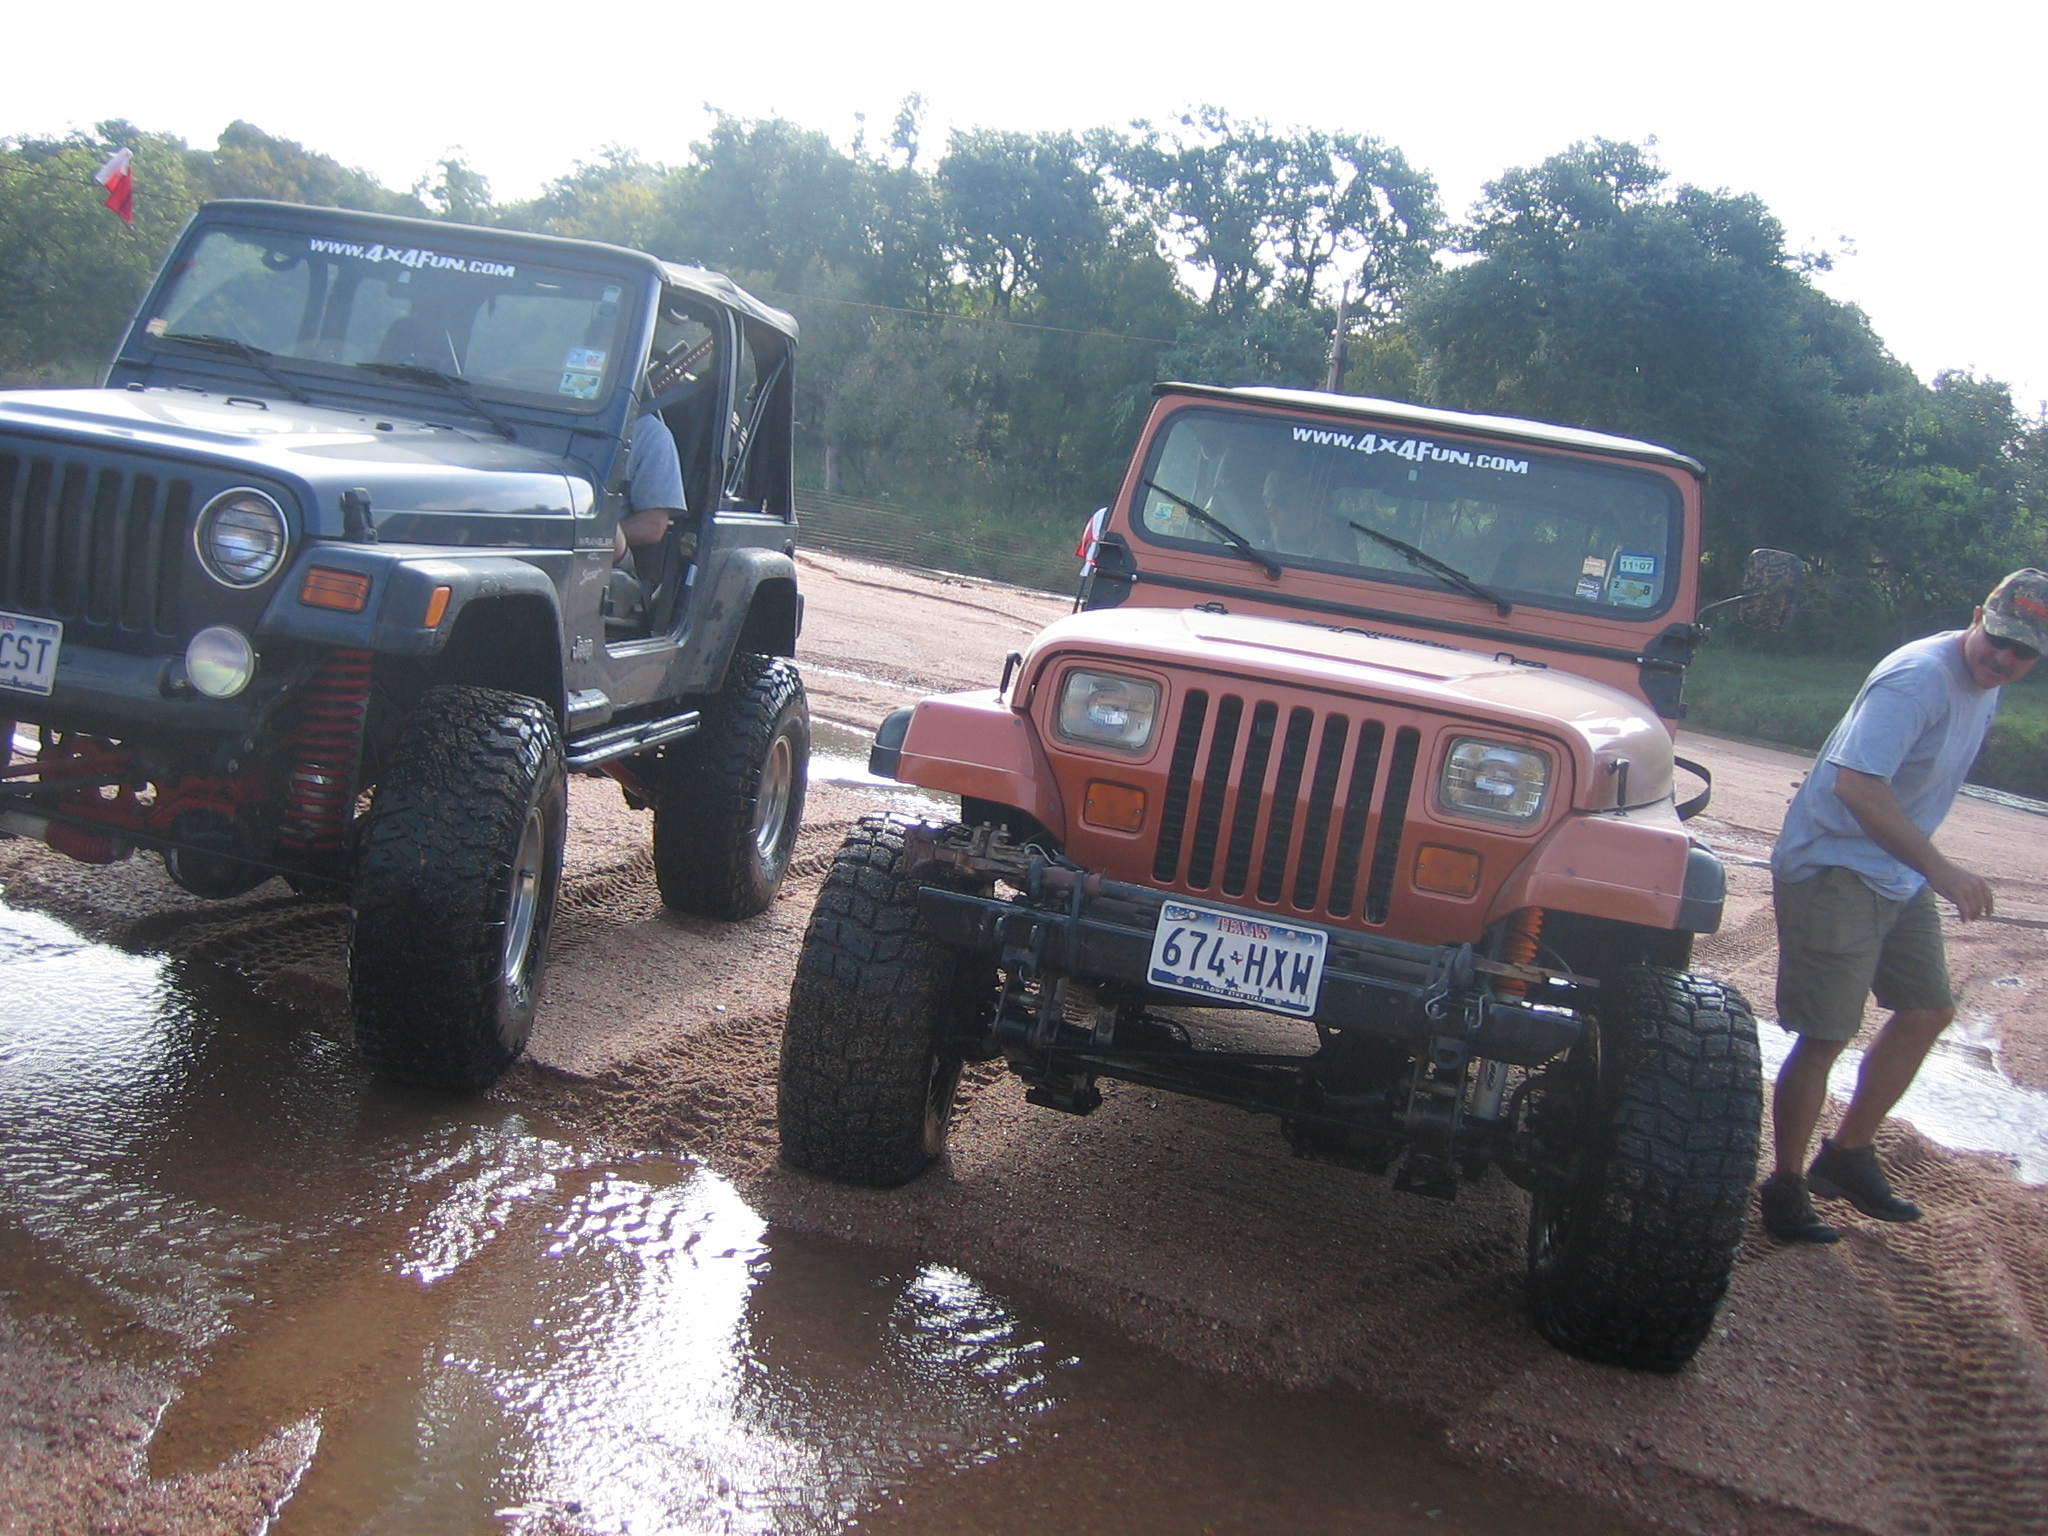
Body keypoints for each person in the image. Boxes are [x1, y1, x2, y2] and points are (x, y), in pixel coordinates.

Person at [1758, 568, 2045, 1242]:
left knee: (1928, 1010)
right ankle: (1785, 1186)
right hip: (1832, 864)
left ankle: (1847, 1155)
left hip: (1892, 868)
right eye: (1998, 638)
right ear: (1976, 616)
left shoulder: (1985, 686)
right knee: (1827, 1034)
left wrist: (1922, 867)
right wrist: (1941, 868)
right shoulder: (1918, 678)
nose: (2003, 658)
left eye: (2023, 652)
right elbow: (1856, 785)